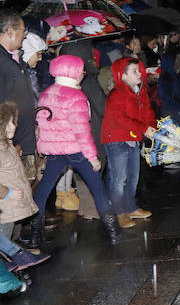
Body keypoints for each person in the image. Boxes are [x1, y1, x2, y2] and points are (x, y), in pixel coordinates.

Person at [27, 55, 121, 249]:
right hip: (75, 150)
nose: (82, 75)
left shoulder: (46, 94)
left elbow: (41, 125)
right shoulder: (76, 96)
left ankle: (36, 235)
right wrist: (92, 157)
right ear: (72, 72)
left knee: (43, 190)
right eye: (81, 71)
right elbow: (83, 132)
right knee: (97, 187)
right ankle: (114, 232)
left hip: (54, 151)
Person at [101, 58, 157, 229]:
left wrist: (151, 128)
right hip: (117, 139)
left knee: (133, 177)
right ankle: (119, 212)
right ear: (123, 75)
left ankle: (130, 207)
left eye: (138, 70)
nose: (139, 73)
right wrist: (143, 128)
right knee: (119, 178)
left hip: (133, 138)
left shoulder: (141, 92)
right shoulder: (117, 93)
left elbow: (148, 112)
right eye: (134, 71)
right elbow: (119, 118)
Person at [0, 101, 49, 270]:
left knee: (6, 237)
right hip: (5, 205)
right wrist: (8, 193)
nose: (15, 126)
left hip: (11, 206)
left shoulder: (7, 145)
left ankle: (12, 262)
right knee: (4, 235)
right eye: (11, 122)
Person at [0, 12, 36, 176]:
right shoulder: (3, 63)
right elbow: (5, 103)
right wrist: (10, 143)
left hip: (22, 138)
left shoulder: (14, 58)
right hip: (12, 142)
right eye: (23, 30)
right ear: (10, 31)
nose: (25, 35)